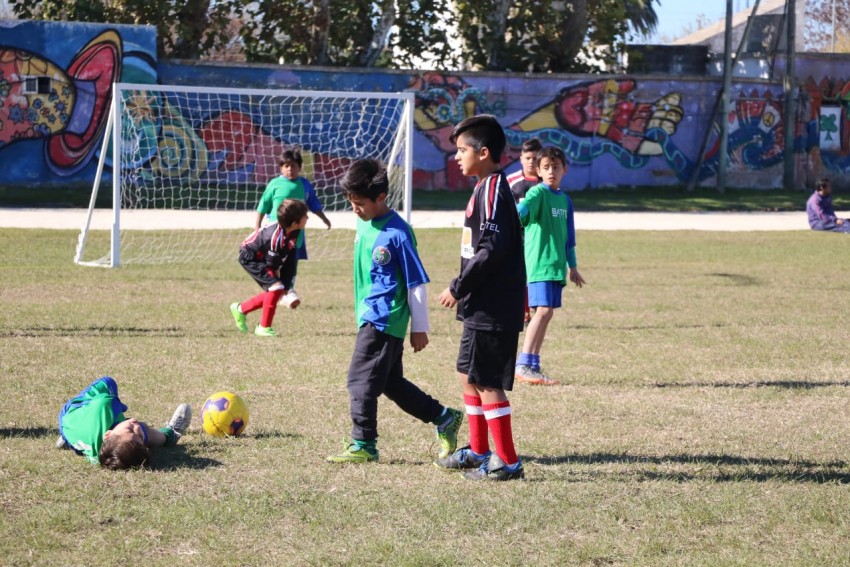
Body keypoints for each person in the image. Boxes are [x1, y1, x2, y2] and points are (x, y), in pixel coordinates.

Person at [327, 158, 463, 464]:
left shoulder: (399, 234)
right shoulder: (364, 222)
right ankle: (444, 417)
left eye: (360, 204)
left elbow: (416, 283)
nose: (355, 209)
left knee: (360, 381)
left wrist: (420, 327)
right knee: (390, 383)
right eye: (351, 203)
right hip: (370, 315)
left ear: (381, 197)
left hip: (384, 318)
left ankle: (364, 443)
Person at [436, 114, 526, 481]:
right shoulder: (483, 187)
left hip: (493, 306)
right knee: (467, 374)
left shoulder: (492, 190)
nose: (457, 156)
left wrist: (458, 286)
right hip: (480, 305)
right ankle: (478, 450)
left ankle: (508, 462)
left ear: (484, 152)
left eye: (462, 150)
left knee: (488, 381)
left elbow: (490, 250)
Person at [515, 146, 586, 386]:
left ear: (565, 169)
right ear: (538, 171)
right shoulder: (538, 193)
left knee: (547, 313)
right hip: (539, 264)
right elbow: (522, 210)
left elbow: (569, 238)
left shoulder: (565, 200)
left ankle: (532, 365)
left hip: (556, 266)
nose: (551, 172)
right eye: (546, 167)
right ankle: (523, 364)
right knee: (543, 311)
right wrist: (513, 214)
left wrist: (572, 267)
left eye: (556, 167)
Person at [56, 376, 191, 470]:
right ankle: (170, 435)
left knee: (107, 384)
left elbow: (109, 402)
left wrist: (119, 411)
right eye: (138, 436)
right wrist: (140, 435)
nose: (136, 427)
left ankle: (68, 440)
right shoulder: (102, 457)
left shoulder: (104, 407)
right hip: (72, 432)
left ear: (107, 435)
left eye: (131, 430)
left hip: (70, 414)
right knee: (143, 430)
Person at [255, 149, 333, 308]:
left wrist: (324, 218)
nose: (290, 169)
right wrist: (257, 226)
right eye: (286, 166)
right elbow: (263, 206)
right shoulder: (275, 184)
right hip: (275, 233)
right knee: (274, 262)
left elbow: (314, 204)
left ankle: (288, 290)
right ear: (281, 168)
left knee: (291, 263)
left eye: (294, 166)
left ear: (300, 167)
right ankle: (277, 290)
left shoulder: (304, 185)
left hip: (296, 233)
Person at [231, 199, 309, 337]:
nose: (308, 218)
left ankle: (241, 309)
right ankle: (263, 328)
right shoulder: (274, 238)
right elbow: (272, 264)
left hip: (264, 257)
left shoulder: (295, 231)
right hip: (251, 257)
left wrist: (287, 284)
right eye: (305, 216)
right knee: (275, 288)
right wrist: (279, 284)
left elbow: (290, 258)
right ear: (294, 223)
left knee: (278, 289)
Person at [506, 137, 542, 202]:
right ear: (521, 159)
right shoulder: (510, 180)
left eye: (535, 158)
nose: (531, 162)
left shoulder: (546, 181)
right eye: (528, 158)